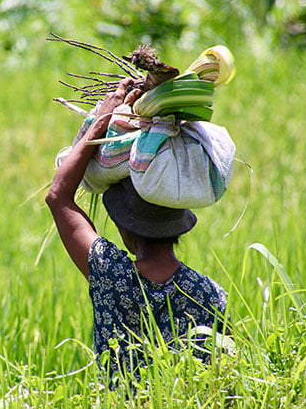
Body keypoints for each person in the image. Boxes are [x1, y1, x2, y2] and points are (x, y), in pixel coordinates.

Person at [45, 77, 229, 381]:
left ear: (124, 227)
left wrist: (100, 121)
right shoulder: (210, 295)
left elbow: (58, 196)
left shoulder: (110, 276)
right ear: (179, 222)